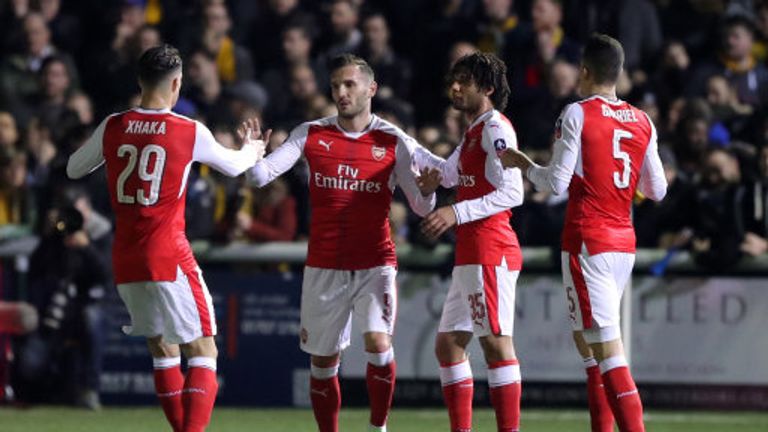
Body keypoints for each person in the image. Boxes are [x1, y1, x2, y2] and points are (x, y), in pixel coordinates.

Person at [66, 44, 267, 432]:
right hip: (168, 253)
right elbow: (234, 166)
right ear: (176, 83)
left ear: (140, 82)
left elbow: (75, 169)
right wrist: (253, 149)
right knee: (204, 348)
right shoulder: (188, 130)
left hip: (126, 258)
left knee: (162, 348)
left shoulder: (113, 125)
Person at [248, 53, 439, 432]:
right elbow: (261, 176)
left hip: (375, 262)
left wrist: (429, 193)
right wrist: (253, 153)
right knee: (322, 362)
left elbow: (420, 205)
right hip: (324, 264)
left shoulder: (394, 141)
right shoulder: (311, 133)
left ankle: (377, 428)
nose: (341, 92)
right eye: (336, 85)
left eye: (349, 84)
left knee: (378, 344)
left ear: (372, 89)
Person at [500, 34, 667, 432]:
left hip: (587, 240)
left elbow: (554, 184)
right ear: (619, 73)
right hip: (623, 241)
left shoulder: (576, 113)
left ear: (585, 72)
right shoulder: (643, 120)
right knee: (588, 343)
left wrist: (523, 164)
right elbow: (657, 189)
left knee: (608, 351)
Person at [418, 52, 525, 432]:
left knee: (495, 344)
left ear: (489, 88)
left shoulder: (496, 128)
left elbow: (513, 191)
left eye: (465, 80)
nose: (456, 87)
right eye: (454, 79)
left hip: (489, 247)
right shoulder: (475, 130)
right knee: (448, 345)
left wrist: (455, 212)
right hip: (471, 251)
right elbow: (450, 174)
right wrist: (433, 180)